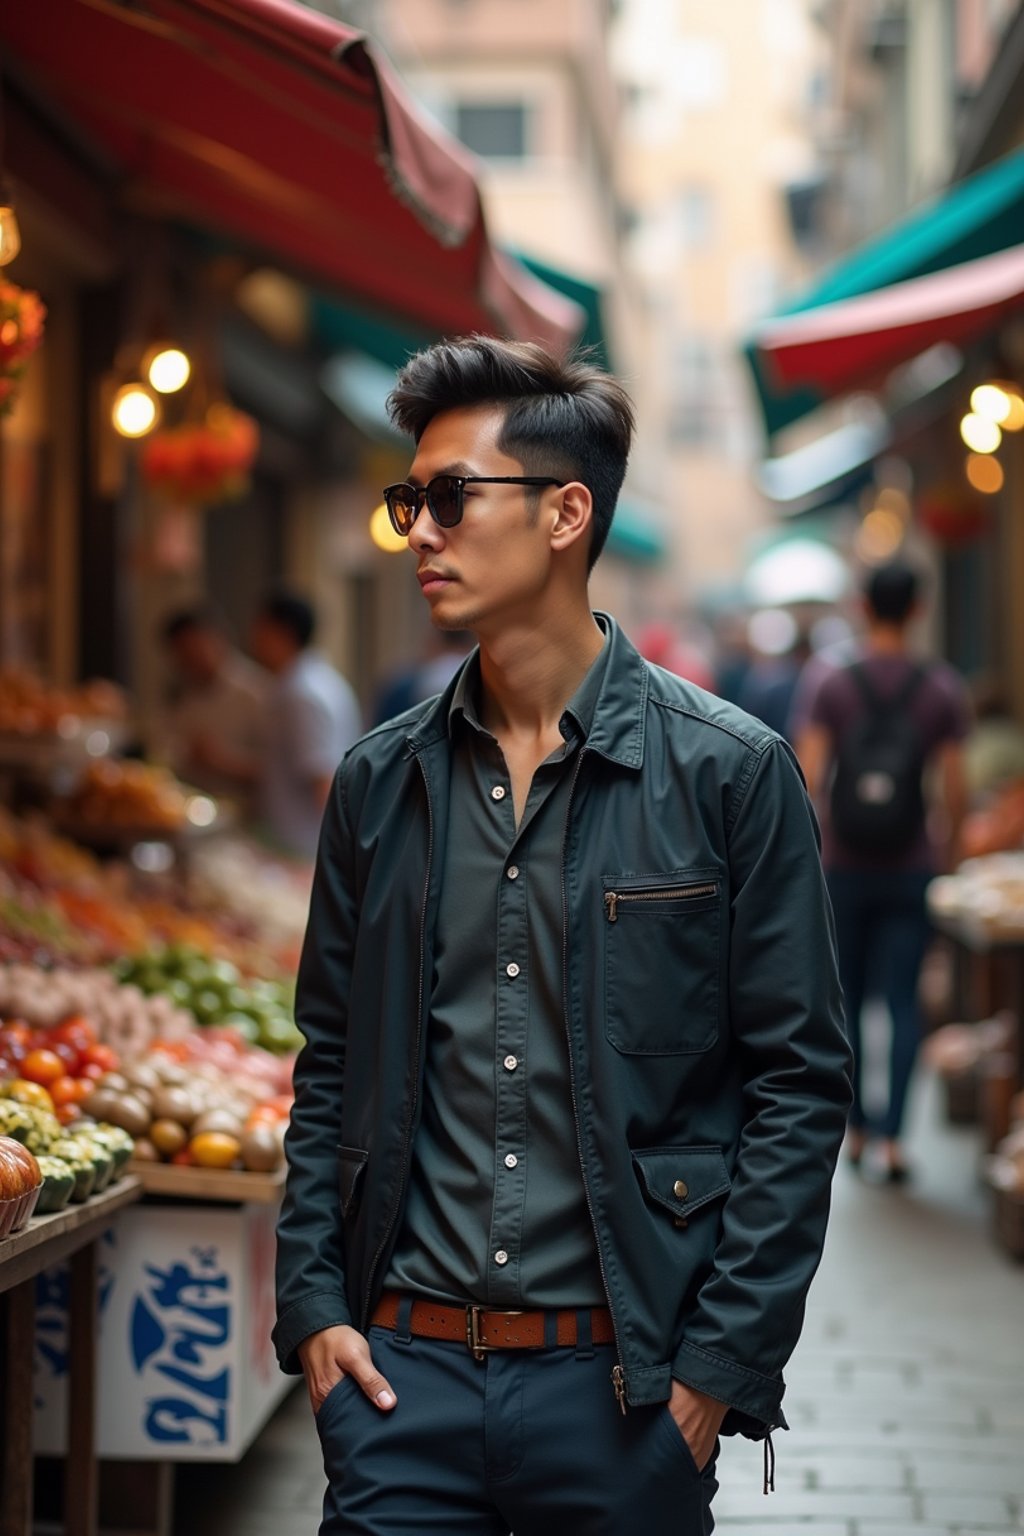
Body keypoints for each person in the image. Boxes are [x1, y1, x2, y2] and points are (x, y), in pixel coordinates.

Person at [274, 336, 851, 1535]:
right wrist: (315, 1309)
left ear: (564, 513)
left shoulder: (730, 775)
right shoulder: (377, 786)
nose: (417, 533)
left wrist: (714, 1375)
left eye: (447, 498)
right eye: (406, 501)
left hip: (626, 1396)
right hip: (400, 1390)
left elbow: (798, 1085)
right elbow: (329, 1060)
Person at [796, 559, 970, 1182]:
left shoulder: (832, 682)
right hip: (911, 864)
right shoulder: (942, 687)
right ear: (918, 609)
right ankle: (896, 1139)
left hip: (843, 863)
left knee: (841, 1002)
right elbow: (954, 790)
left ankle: (860, 1131)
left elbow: (808, 779)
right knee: (902, 1002)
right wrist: (948, 859)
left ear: (864, 608)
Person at [250, 589, 362, 859]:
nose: (253, 636)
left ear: (280, 632)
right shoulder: (316, 680)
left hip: (303, 850)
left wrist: (337, 861)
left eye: (260, 627)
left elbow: (323, 782)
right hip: (299, 844)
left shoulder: (301, 692)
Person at [158, 605, 266, 806]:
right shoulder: (179, 694)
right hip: (190, 808)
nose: (191, 661)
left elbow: (278, 773)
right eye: (183, 656)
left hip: (247, 818)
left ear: (218, 639)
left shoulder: (256, 693)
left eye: (196, 650)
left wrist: (221, 761)